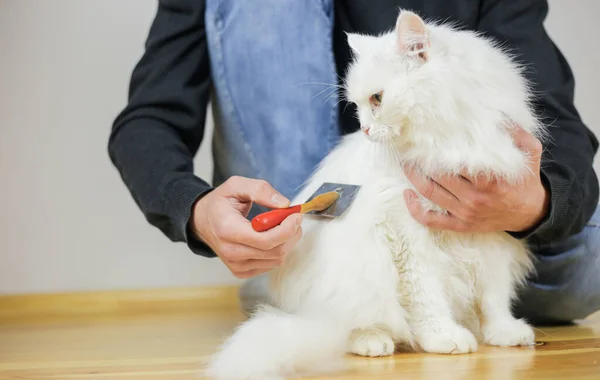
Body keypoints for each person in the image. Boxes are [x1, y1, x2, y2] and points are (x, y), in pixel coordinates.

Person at [108, 0, 599, 325]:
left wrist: (537, 204)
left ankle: (333, 300)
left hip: (462, 224)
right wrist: (193, 209)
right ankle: (311, 276)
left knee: (588, 269)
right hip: (306, 223)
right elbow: (146, 120)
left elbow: (554, 114)